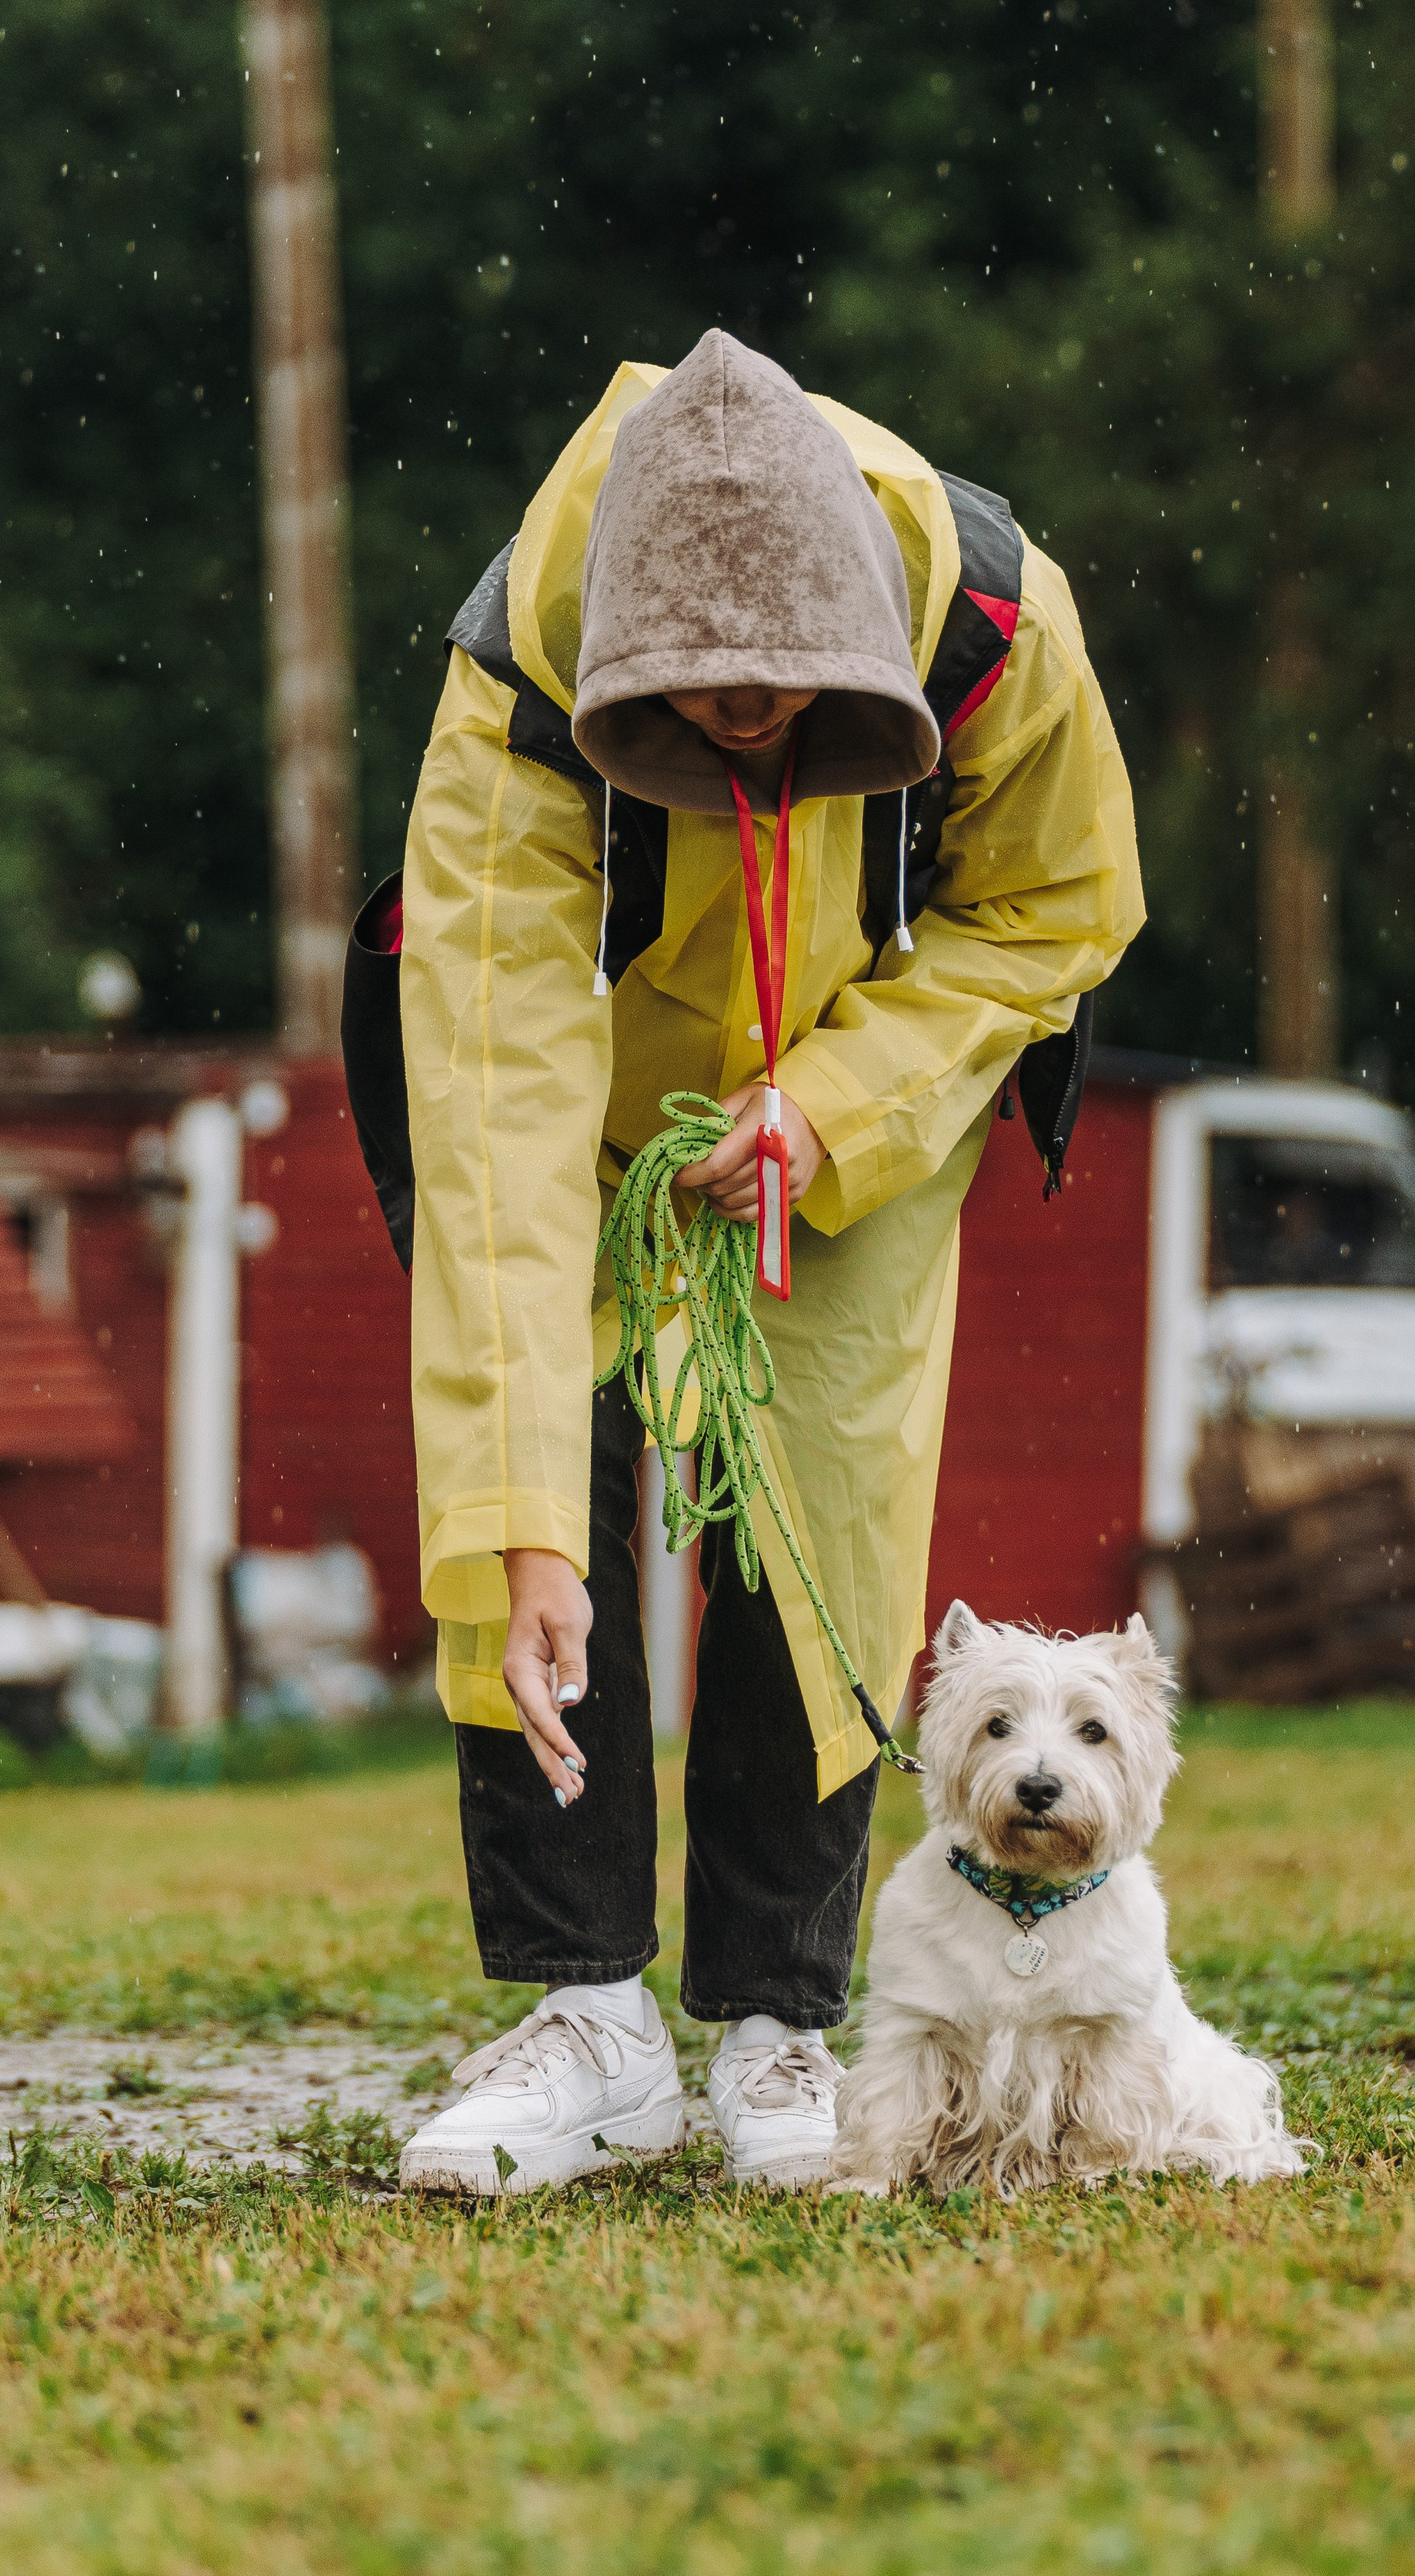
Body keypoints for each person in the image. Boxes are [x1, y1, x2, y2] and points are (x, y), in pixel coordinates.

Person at [391, 328, 1143, 2196]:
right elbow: (491, 1111)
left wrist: (842, 1100)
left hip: (860, 1093)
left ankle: (778, 2023)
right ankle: (586, 2017)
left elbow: (1063, 902)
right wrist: (528, 1516)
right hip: (585, 1105)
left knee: (827, 1509)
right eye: (694, 699)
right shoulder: (514, 679)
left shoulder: (998, 627)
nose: (738, 724)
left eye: (777, 695)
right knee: (518, 1485)